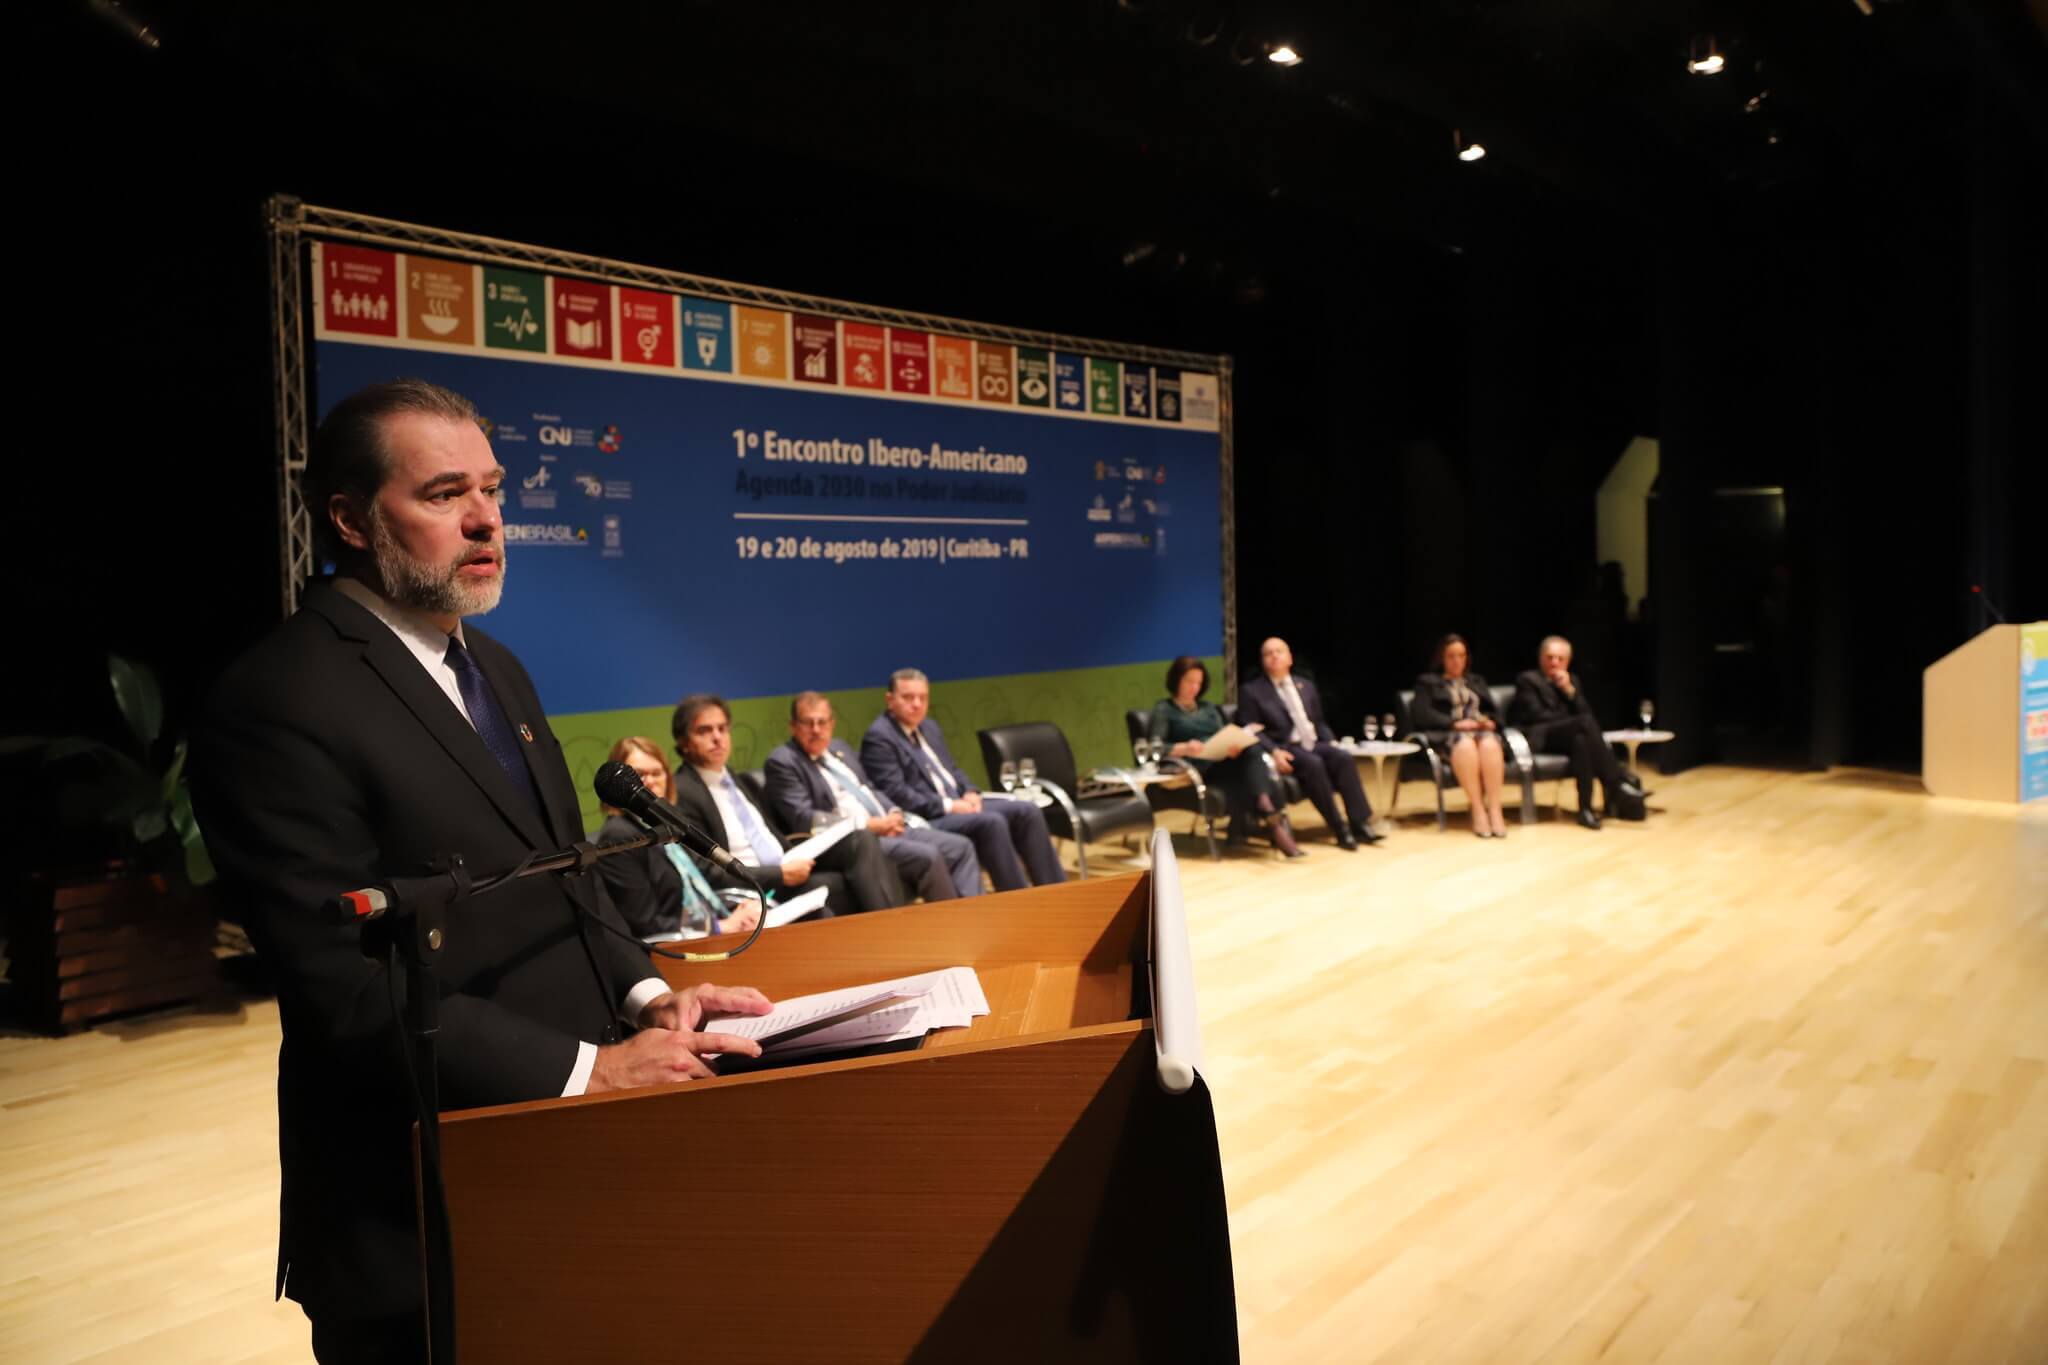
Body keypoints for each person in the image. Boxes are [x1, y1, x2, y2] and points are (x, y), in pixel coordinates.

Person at [189, 379, 772, 1363]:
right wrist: (591, 1071)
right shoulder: (277, 699)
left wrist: (643, 998)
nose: (485, 518)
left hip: (569, 1170)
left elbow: (563, 875)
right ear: (350, 518)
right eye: (443, 492)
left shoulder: (494, 666)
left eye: (493, 489)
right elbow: (347, 987)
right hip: (421, 1202)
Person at [669, 692, 905, 914]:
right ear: (684, 742)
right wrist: (779, 874)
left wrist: (789, 863)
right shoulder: (684, 791)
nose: (717, 738)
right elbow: (709, 871)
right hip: (756, 884)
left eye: (722, 728)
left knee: (862, 840)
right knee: (842, 883)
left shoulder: (737, 780)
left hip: (787, 859)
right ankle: (891, 934)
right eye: (704, 731)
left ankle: (894, 927)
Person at [860, 668, 1066, 891]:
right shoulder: (879, 738)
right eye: (908, 697)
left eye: (923, 697)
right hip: (929, 816)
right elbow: (897, 793)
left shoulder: (929, 727)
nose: (917, 704)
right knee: (992, 822)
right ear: (890, 700)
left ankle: (1056, 891)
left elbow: (953, 770)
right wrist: (950, 805)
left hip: (960, 803)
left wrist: (970, 791)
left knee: (1027, 810)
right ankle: (1018, 899)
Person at [764, 692, 983, 901]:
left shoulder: (839, 748)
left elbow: (869, 788)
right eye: (808, 723)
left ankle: (976, 918)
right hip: (855, 842)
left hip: (889, 826)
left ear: (832, 723)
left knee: (961, 847)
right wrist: (869, 825)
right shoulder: (783, 762)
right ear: (793, 726)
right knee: (929, 856)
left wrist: (893, 812)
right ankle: (950, 928)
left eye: (822, 722)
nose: (816, 730)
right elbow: (806, 818)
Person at [594, 736, 767, 936]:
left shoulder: (668, 821)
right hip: (676, 947)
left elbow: (704, 880)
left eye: (657, 773)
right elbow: (644, 923)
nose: (649, 782)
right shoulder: (619, 836)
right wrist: (721, 927)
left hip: (713, 922)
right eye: (639, 774)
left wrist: (739, 910)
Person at [1147, 655, 1305, 858]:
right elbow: (1154, 747)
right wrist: (1184, 747)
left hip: (1222, 761)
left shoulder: (1209, 708)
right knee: (1254, 768)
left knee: (1252, 751)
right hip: (1197, 768)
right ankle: (1270, 816)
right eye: (1189, 681)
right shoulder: (1165, 709)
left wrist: (1233, 746)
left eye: (1198, 682)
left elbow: (1225, 734)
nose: (1194, 687)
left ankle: (1262, 810)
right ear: (1176, 679)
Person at [1234, 637, 1382, 849]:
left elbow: (1318, 721)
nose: (1274, 656)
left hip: (1312, 742)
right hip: (1286, 747)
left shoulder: (1306, 686)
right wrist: (1274, 751)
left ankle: (1360, 824)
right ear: (1263, 661)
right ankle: (1340, 829)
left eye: (1279, 651)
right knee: (1314, 764)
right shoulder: (1252, 691)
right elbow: (1250, 729)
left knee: (1343, 758)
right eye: (1268, 653)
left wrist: (1331, 742)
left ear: (1290, 658)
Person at [1509, 636, 1632, 830]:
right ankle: (1616, 782)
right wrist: (1571, 719)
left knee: (1581, 741)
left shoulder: (1571, 681)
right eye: (1550, 657)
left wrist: (1569, 691)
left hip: (1569, 736)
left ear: (1568, 661)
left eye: (1560, 658)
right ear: (1541, 658)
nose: (1554, 662)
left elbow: (1586, 713)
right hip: (1540, 736)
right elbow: (1537, 716)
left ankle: (1585, 810)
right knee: (1583, 724)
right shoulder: (1528, 680)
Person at [1411, 633, 1510, 838]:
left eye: (1461, 655)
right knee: (1466, 746)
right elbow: (1421, 714)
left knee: (1490, 745)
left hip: (1482, 734)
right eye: (1451, 656)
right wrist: (1455, 723)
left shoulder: (1476, 681)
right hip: (1450, 736)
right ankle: (1477, 809)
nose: (1457, 661)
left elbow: (1495, 711)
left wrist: (1490, 721)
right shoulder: (1428, 683)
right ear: (1442, 658)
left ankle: (1494, 808)